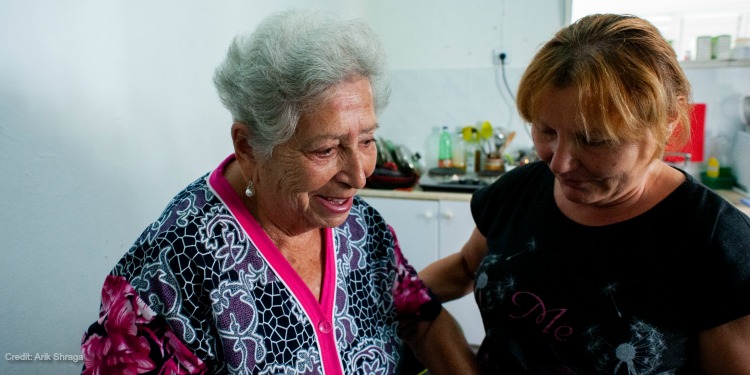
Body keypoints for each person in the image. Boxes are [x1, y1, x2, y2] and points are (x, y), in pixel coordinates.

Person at [80, 10, 479, 375]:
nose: (359, 177)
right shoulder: (170, 273)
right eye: (325, 150)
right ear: (250, 147)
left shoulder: (361, 227)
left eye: (368, 140)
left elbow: (420, 317)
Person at [420, 13, 750, 374]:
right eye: (545, 131)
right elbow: (466, 266)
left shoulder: (715, 241)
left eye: (594, 140)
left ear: (667, 121)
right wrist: (389, 297)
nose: (559, 164)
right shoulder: (520, 190)